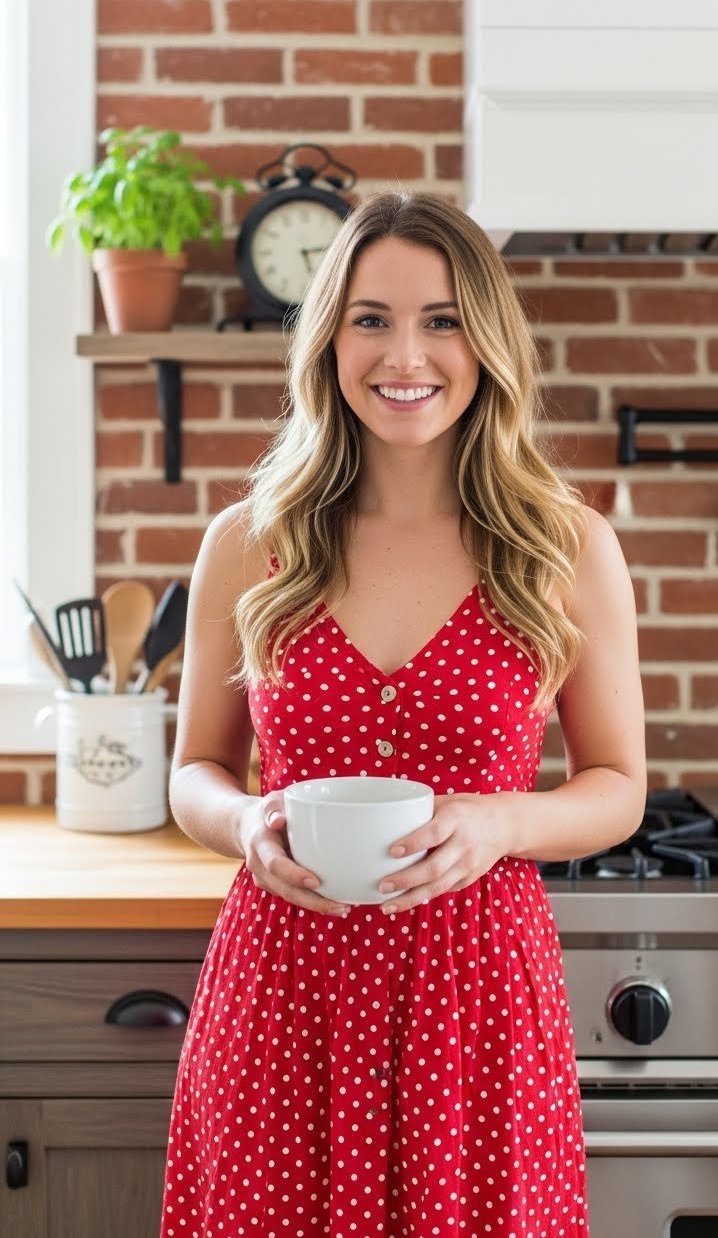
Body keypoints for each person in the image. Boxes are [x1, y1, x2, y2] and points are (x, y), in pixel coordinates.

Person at [160, 191, 646, 1238]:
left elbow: (618, 788)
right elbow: (195, 766)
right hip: (285, 986)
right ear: (329, 336)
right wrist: (243, 823)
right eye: (370, 318)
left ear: (487, 341)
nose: (404, 354)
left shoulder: (566, 548)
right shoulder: (249, 543)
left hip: (479, 1001)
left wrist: (503, 821)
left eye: (441, 320)